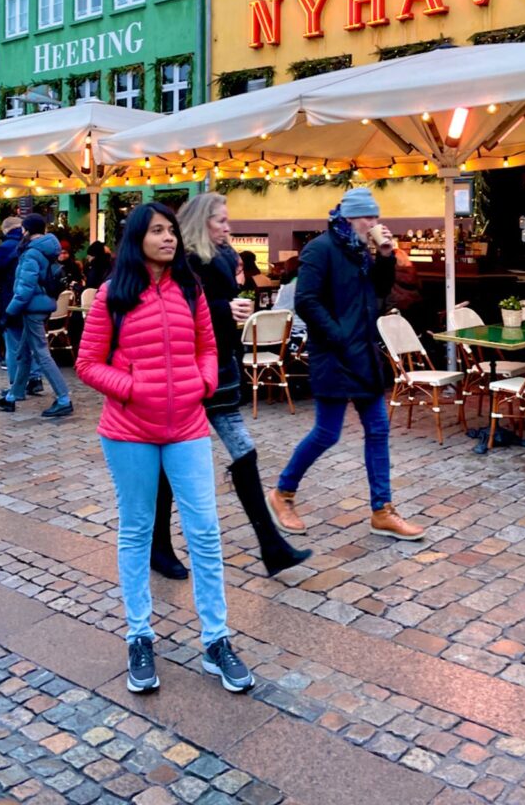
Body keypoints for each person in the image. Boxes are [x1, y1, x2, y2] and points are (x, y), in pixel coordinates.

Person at [77, 202, 254, 695]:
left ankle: (216, 640)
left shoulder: (190, 289)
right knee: (136, 530)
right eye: (157, 231)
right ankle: (139, 636)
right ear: (138, 239)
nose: (168, 238)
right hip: (128, 431)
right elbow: (88, 363)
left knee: (205, 532)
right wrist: (133, 388)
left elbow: (208, 346)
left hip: (188, 426)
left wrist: (202, 381)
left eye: (171, 230)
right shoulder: (114, 294)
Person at [145, 192, 311, 579]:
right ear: (203, 221)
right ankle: (160, 546)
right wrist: (224, 308)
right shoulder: (181, 260)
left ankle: (271, 546)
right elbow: (171, 310)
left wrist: (229, 309)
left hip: (220, 370)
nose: (228, 226)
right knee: (170, 463)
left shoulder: (221, 257)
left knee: (245, 454)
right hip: (189, 374)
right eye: (221, 220)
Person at [266, 188, 424, 541]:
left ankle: (382, 510)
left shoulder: (361, 251)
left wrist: (385, 255)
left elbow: (382, 291)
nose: (374, 223)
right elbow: (306, 301)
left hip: (364, 354)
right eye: (368, 217)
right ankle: (282, 493)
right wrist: (338, 336)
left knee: (379, 430)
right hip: (334, 355)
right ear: (350, 217)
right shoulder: (320, 249)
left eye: (376, 217)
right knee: (327, 432)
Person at [0, 214, 73, 419]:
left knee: (40, 352)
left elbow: (25, 288)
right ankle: (13, 395)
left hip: (32, 307)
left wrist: (10, 312)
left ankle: (63, 398)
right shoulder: (47, 249)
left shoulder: (31, 253)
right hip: (42, 304)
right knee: (24, 351)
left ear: (27, 230)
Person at [0, 216, 43, 395]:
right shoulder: (38, 245)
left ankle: (16, 384)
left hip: (12, 298)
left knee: (13, 342)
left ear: (5, 229)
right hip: (36, 301)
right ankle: (35, 378)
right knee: (33, 342)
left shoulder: (7, 246)